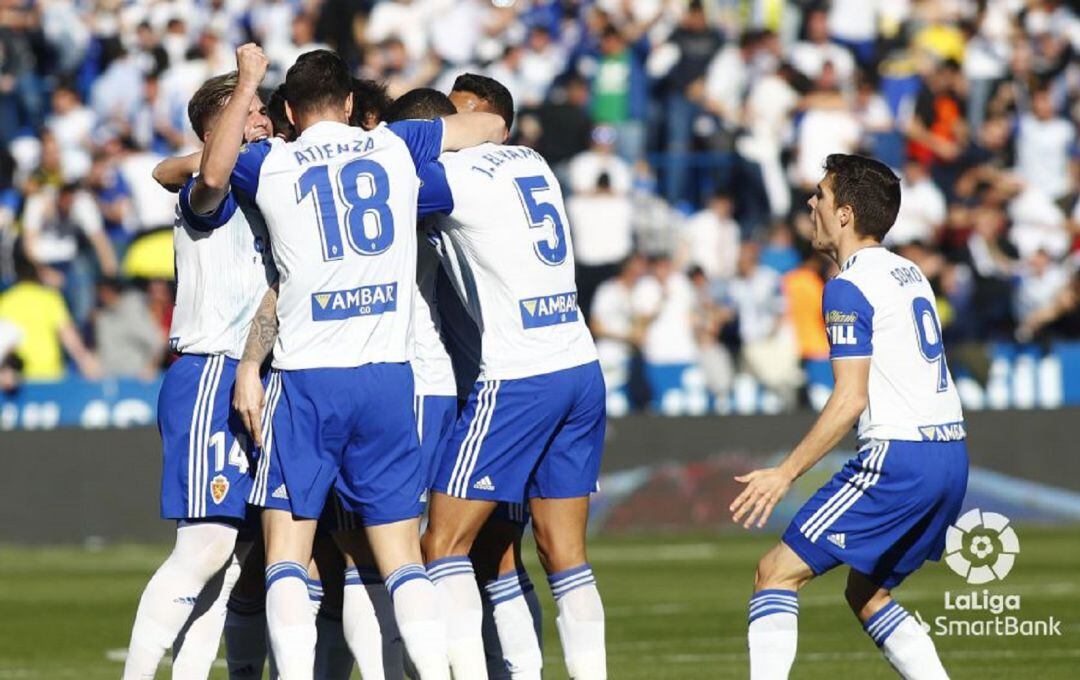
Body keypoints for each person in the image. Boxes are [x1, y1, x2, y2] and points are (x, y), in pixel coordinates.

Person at [222, 49, 504, 680]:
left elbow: (202, 170)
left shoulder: (271, 160)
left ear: (289, 111)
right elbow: (486, 126)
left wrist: (245, 86)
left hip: (308, 378)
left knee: (288, 557)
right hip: (388, 377)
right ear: (350, 104)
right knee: (401, 556)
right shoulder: (397, 147)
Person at [731, 154, 966, 680]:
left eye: (820, 194)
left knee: (774, 574)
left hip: (898, 459)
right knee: (868, 591)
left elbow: (849, 398)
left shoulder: (847, 285)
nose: (810, 203)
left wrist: (783, 473)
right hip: (950, 455)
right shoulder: (911, 273)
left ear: (845, 213)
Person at [411, 76, 608, 680]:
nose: (449, 128)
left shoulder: (458, 175)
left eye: (460, 118)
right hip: (580, 367)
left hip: (518, 379)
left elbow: (377, 173)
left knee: (440, 546)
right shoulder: (533, 162)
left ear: (488, 121)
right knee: (559, 554)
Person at [121, 49, 277, 680]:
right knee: (206, 544)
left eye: (266, 111)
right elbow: (202, 177)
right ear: (219, 129)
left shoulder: (267, 185)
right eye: (254, 112)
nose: (265, 120)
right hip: (212, 369)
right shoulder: (205, 192)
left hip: (253, 374)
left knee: (237, 556)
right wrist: (245, 82)